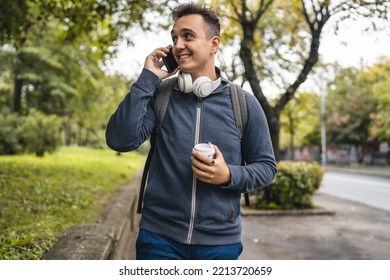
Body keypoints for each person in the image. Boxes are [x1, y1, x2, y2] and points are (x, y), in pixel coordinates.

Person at [105, 2, 277, 260]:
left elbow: (266, 167)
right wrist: (148, 78)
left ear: (214, 44)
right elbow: (120, 140)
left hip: (219, 244)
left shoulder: (243, 103)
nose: (178, 45)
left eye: (188, 36)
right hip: (159, 239)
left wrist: (228, 174)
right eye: (174, 38)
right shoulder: (160, 96)